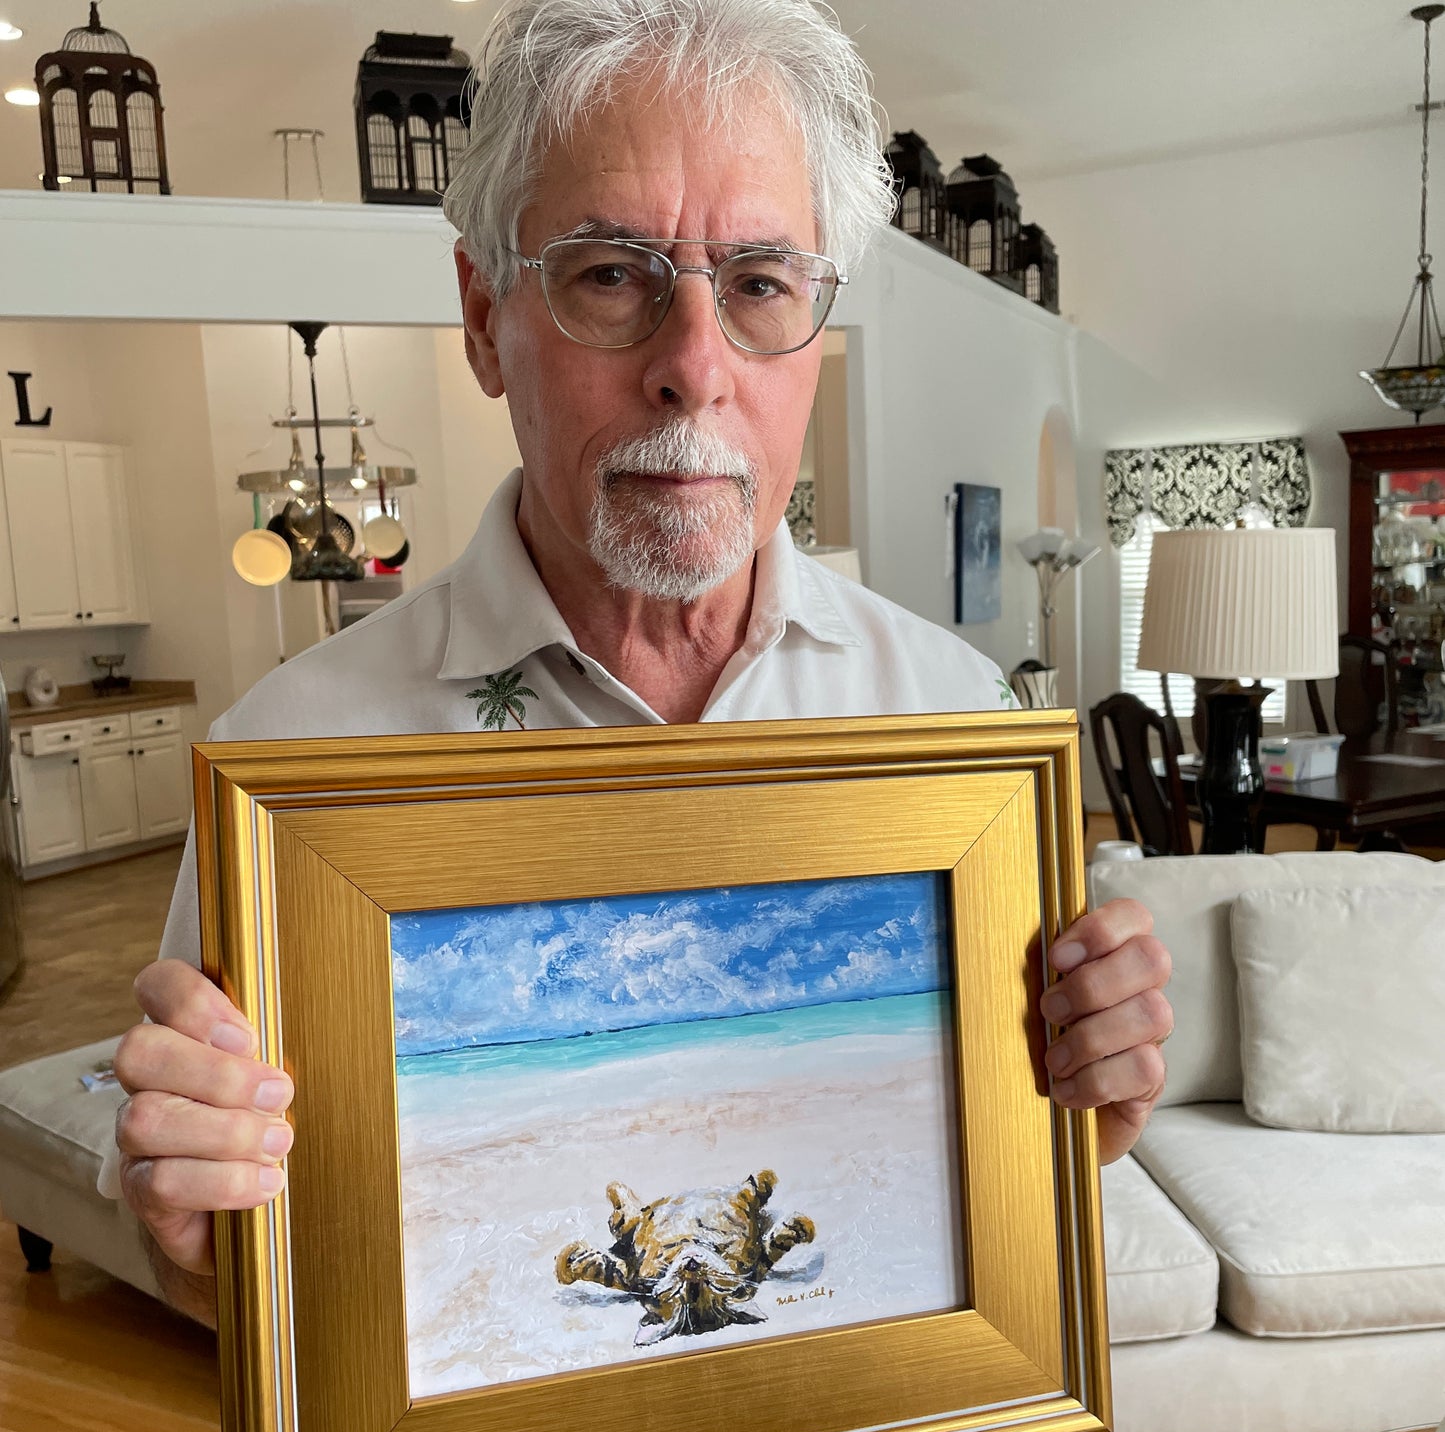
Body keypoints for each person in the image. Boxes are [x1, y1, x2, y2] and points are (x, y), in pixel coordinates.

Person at [109, 0, 1171, 1327]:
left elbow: (979, 1231)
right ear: (485, 315)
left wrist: (1078, 1119)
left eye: (760, 282)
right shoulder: (288, 760)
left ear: (813, 330)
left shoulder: (956, 720)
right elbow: (251, 1302)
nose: (691, 365)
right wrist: (192, 1238)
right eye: (610, 273)